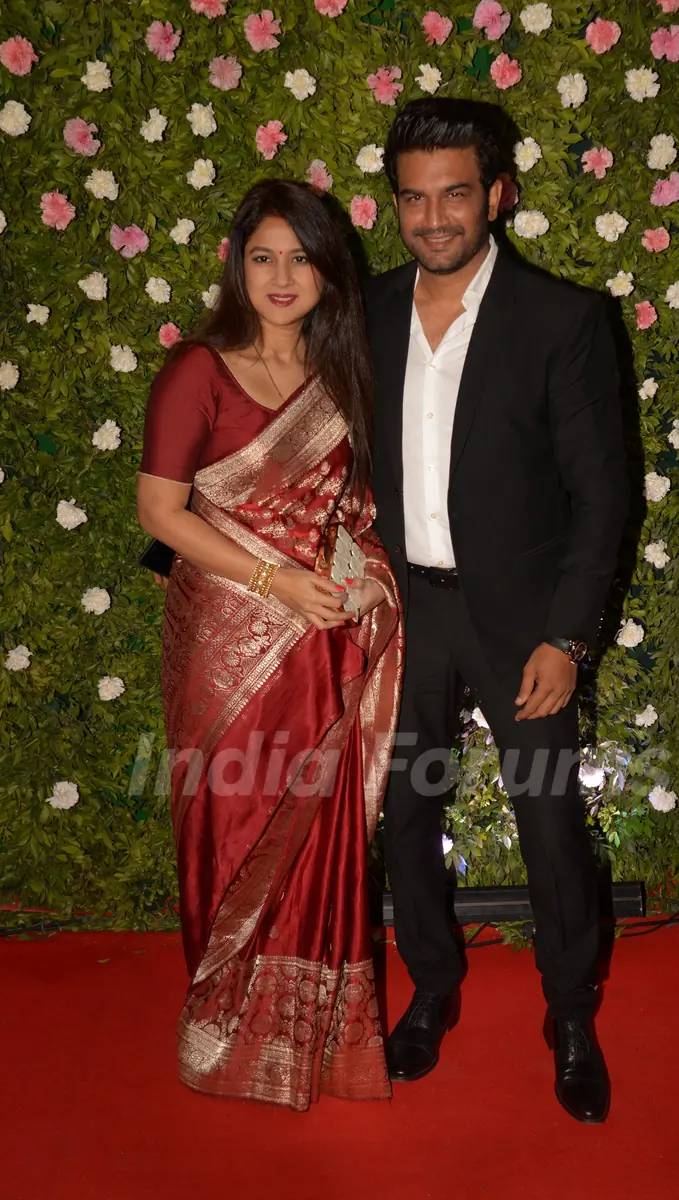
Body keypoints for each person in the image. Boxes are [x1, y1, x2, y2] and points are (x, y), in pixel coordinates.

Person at [368, 99, 629, 1124]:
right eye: (414, 197)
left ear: (496, 194)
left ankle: (569, 1015)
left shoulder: (560, 319)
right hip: (405, 614)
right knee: (404, 816)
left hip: (523, 625)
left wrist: (567, 636)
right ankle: (431, 991)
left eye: (454, 193)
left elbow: (601, 494)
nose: (433, 217)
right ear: (395, 203)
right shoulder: (371, 311)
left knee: (551, 826)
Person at [137, 180, 402, 1112]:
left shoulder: (342, 379)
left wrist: (360, 577)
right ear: (236, 264)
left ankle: (303, 1037)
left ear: (330, 271)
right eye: (263, 257)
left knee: (314, 828)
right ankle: (224, 1030)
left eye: (301, 257)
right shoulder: (198, 370)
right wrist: (276, 584)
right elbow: (160, 513)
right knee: (230, 817)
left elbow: (353, 513)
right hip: (225, 641)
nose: (282, 277)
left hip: (318, 639)